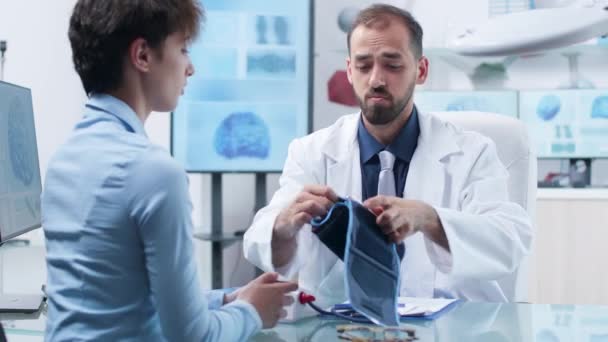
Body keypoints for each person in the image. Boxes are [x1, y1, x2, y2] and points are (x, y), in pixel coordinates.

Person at [243, 4, 532, 307]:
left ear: (420, 71)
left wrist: (430, 219)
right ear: (350, 71)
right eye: (364, 65)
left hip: (449, 329)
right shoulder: (311, 153)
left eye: (392, 65)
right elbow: (261, 243)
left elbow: (510, 239)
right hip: (342, 327)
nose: (376, 80)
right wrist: (284, 224)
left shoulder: (472, 152)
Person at [41, 1, 297, 341]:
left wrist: (230, 299)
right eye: (183, 49)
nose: (190, 68)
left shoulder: (62, 161)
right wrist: (252, 312)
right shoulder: (155, 174)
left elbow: (124, 300)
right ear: (143, 55)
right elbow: (193, 337)